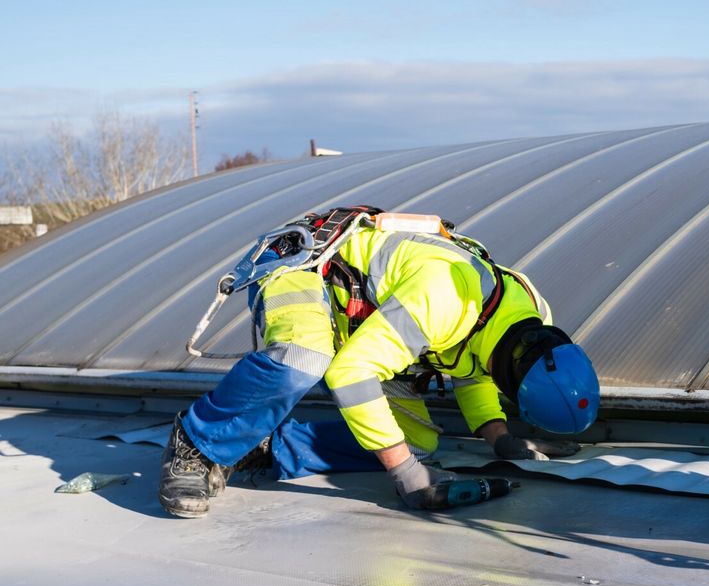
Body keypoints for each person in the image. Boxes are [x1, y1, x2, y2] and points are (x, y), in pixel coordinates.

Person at [159, 205, 600, 518]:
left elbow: (473, 366)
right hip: (308, 269)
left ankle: (266, 446)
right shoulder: (444, 300)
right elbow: (349, 374)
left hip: (369, 314)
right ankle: (198, 443)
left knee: (415, 445)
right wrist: (404, 474)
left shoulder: (530, 313)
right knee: (304, 356)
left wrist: (500, 439)